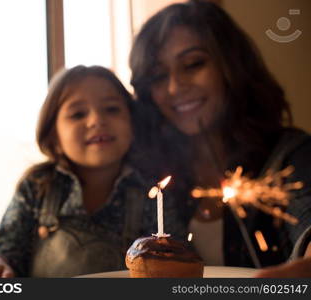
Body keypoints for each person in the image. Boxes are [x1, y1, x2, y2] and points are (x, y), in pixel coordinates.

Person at [129, 0, 311, 277]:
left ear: (231, 65)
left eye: (193, 64)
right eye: (158, 76)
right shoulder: (147, 171)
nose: (176, 86)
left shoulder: (289, 155)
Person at [0, 65, 156, 278]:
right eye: (77, 114)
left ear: (133, 121)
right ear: (54, 136)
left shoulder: (152, 191)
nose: (96, 121)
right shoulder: (38, 185)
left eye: (111, 109)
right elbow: (8, 250)